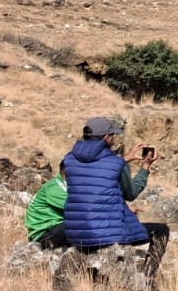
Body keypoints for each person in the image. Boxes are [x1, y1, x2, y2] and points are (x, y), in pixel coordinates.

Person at [60, 116, 169, 280]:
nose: (114, 138)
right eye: (112, 135)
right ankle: (148, 278)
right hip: (108, 235)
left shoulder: (69, 159)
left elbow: (93, 180)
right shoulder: (116, 163)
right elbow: (131, 194)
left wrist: (124, 160)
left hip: (76, 233)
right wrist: (145, 166)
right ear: (106, 137)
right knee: (161, 231)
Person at [24, 162, 69, 248]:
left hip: (53, 228)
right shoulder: (55, 187)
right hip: (43, 235)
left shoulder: (61, 184)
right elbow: (79, 208)